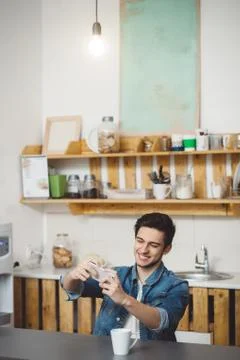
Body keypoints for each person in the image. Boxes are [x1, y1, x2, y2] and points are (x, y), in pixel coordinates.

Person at [61, 212, 189, 341]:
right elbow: (73, 288)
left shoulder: (176, 285)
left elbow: (161, 321)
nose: (144, 250)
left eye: (153, 245)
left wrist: (124, 299)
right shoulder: (116, 274)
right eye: (140, 241)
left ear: (167, 249)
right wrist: (73, 276)